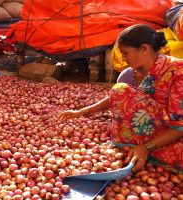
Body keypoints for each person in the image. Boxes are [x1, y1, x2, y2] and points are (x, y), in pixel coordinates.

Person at [59, 24, 183, 172]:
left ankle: (146, 153)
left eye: (125, 53)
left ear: (144, 49)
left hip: (171, 136)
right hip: (144, 133)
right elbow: (118, 98)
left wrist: (145, 147)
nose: (123, 59)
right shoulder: (129, 74)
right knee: (119, 90)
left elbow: (179, 126)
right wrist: (82, 111)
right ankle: (134, 150)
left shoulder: (177, 72)